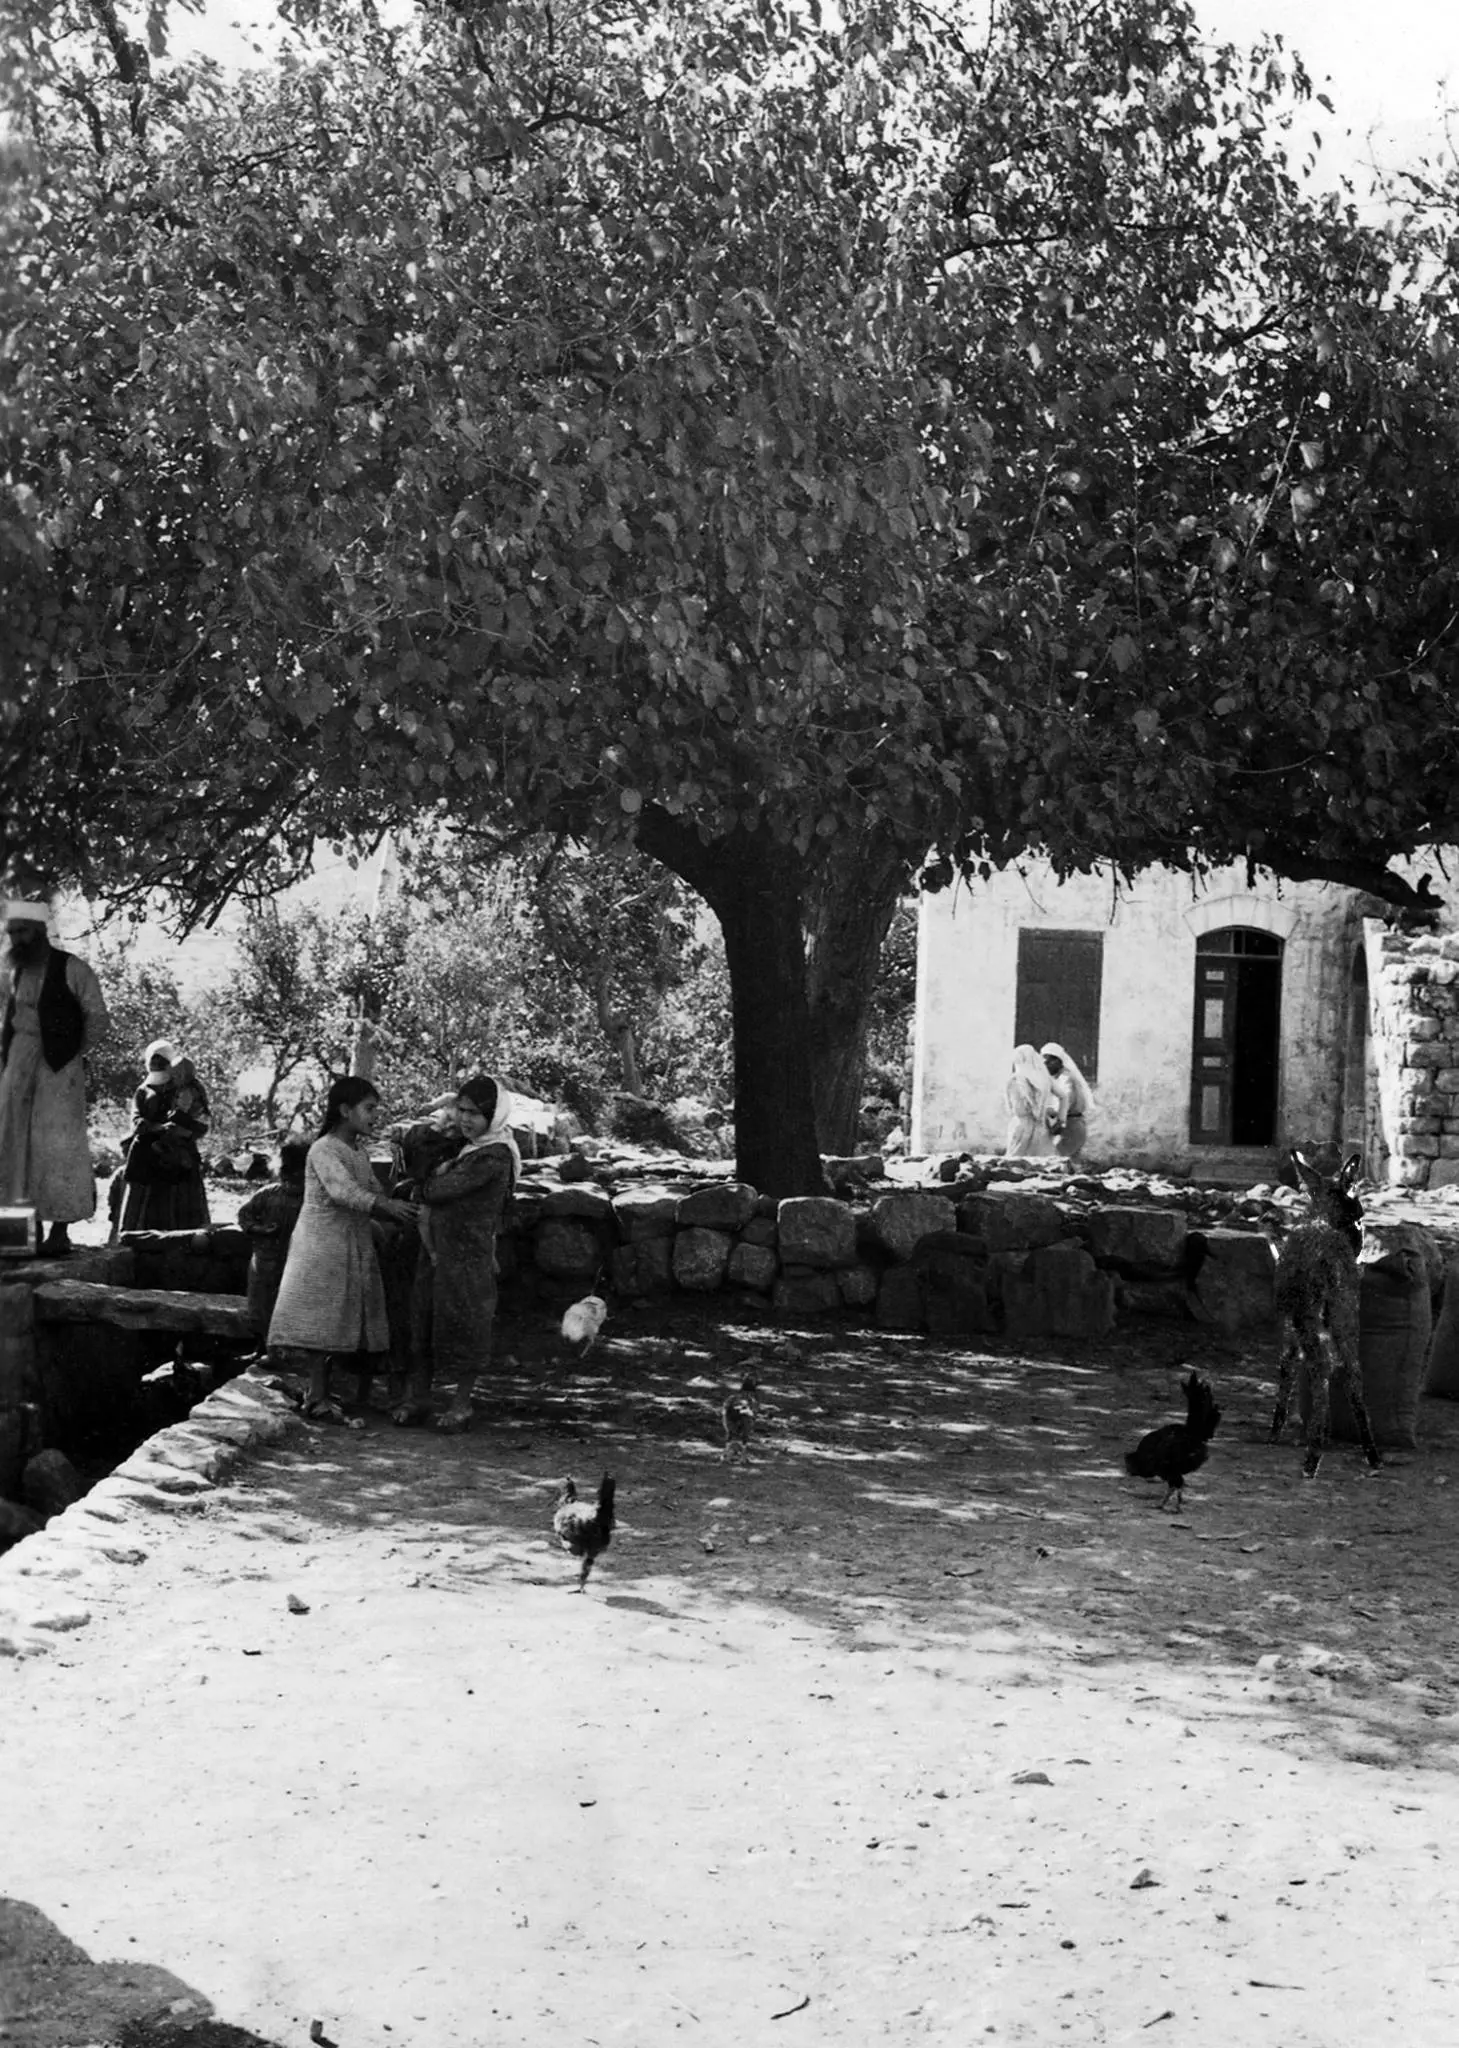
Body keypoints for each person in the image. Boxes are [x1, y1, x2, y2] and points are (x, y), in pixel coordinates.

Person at [266, 1077, 419, 1424]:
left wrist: (395, 1200)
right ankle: (317, 1395)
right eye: (369, 1108)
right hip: (322, 1244)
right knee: (322, 1319)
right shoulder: (324, 1149)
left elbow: (369, 1188)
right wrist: (385, 1206)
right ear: (345, 1110)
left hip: (352, 1240)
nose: (374, 1115)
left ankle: (328, 1392)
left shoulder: (358, 1152)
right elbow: (342, 1192)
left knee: (344, 1318)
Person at [395, 1073, 520, 1434]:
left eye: (475, 1114)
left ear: (493, 1116)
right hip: (438, 1252)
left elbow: (435, 1190)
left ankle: (461, 1403)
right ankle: (419, 1397)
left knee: (465, 1327)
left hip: (468, 1255)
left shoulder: (493, 1155)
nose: (466, 1120)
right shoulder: (467, 1149)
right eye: (461, 1110)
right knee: (423, 1321)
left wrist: (425, 1186)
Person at [0, 892, 110, 1256]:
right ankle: (19, 1236)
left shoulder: (72, 968)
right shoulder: (16, 973)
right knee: (14, 1148)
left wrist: (73, 1054)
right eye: (11, 932)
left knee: (57, 1148)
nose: (15, 939)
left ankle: (59, 1233)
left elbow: (97, 1017)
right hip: (18, 1066)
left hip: (57, 1071)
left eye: (21, 932)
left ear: (37, 931)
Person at [116, 1041, 212, 1233]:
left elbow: (201, 1124)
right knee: (143, 1214)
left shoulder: (186, 1089)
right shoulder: (143, 1091)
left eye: (162, 1063)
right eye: (154, 1063)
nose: (157, 1067)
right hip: (146, 1156)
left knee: (182, 1215)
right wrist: (160, 1128)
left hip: (178, 1157)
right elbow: (137, 1122)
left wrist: (182, 1128)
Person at [236, 1137, 310, 1343]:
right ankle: (263, 1347)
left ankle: (286, 1350)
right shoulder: (267, 1195)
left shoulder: (312, 1201)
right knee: (261, 1307)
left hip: (297, 1265)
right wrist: (259, 1229)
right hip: (265, 1264)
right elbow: (244, 1216)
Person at [1040, 1042, 1096, 1159]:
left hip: (1071, 1126)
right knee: (1070, 1163)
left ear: (1059, 1061)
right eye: (1044, 1061)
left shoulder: (1066, 1078)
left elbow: (1065, 1100)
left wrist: (1051, 1114)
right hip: (1069, 1124)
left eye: (1050, 1061)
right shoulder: (1056, 1078)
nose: (1046, 1064)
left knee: (1056, 1159)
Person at [1003, 1044, 1054, 1157]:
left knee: (1015, 1161)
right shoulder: (1043, 1080)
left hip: (1022, 1125)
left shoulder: (1016, 1080)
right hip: (1041, 1126)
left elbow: (1014, 1107)